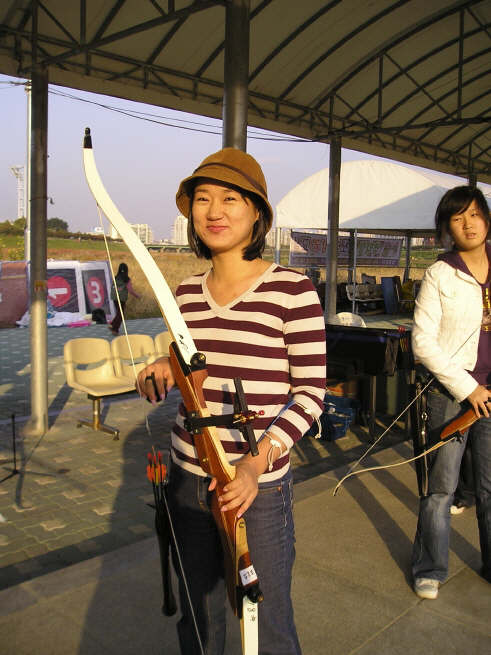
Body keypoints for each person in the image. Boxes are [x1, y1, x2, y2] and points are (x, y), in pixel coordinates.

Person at [137, 147, 326, 654]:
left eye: (230, 199)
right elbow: (190, 365)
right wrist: (162, 370)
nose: (214, 211)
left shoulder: (292, 290)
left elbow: (311, 394)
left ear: (257, 213)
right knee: (199, 618)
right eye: (203, 199)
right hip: (187, 478)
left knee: (266, 621)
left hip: (257, 490)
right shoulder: (186, 293)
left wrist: (253, 466)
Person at [411, 185, 491, 600]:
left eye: (474, 214)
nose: (468, 224)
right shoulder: (440, 273)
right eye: (458, 218)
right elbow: (422, 342)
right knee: (440, 488)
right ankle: (430, 567)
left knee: (489, 487)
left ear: (486, 219)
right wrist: (468, 387)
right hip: (451, 394)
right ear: (446, 228)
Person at [109, 262, 140, 335]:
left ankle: (112, 324)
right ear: (126, 270)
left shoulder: (116, 277)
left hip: (114, 297)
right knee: (121, 314)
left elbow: (112, 287)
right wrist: (137, 296)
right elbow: (130, 290)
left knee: (119, 313)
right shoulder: (126, 279)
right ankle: (115, 329)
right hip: (121, 298)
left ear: (119, 269)